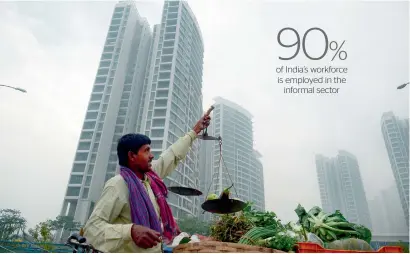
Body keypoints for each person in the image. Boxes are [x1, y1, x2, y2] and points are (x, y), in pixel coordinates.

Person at [82, 113, 211, 253]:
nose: (151, 155)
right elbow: (92, 229)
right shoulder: (117, 185)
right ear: (132, 156)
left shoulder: (149, 178)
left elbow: (171, 155)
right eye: (146, 151)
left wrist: (194, 131)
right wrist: (130, 231)